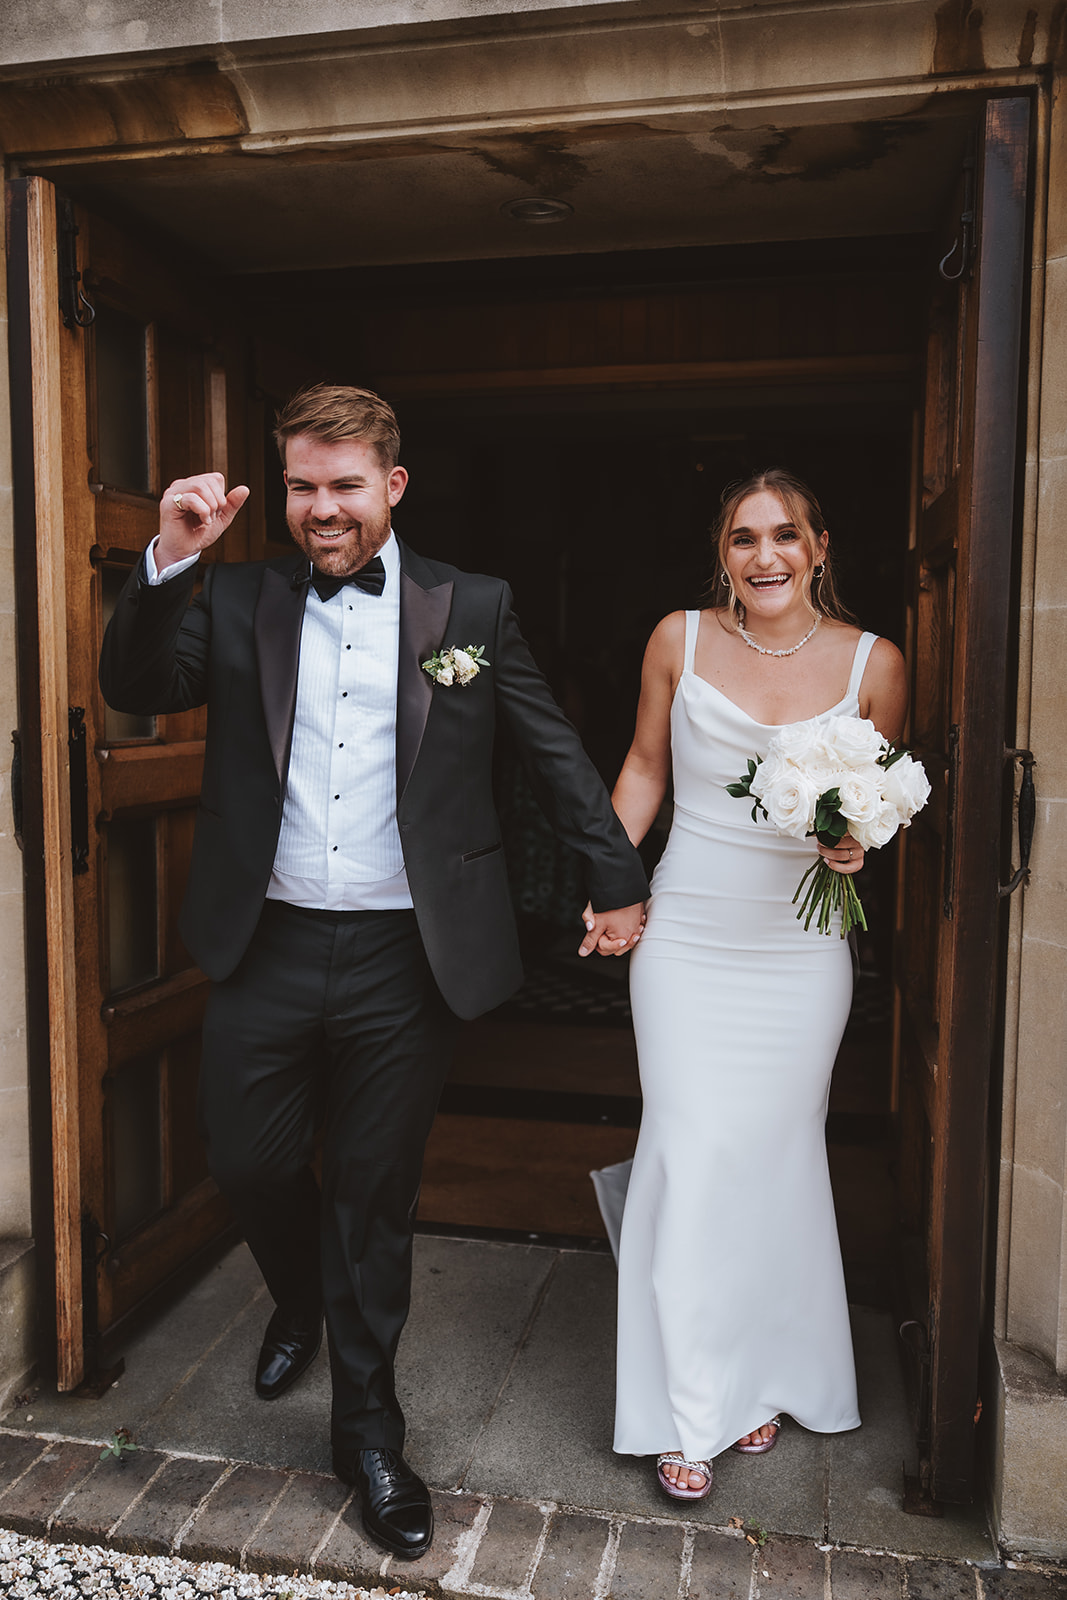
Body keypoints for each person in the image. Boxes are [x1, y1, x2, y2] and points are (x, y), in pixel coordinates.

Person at [99, 385, 648, 1558]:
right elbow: (137, 688)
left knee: (370, 1191)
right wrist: (166, 560)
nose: (321, 508)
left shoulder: (472, 606)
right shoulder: (239, 593)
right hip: (269, 940)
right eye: (301, 485)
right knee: (243, 1156)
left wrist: (616, 873)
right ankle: (297, 1295)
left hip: (408, 953)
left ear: (391, 486)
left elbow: (548, 747)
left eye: (344, 485)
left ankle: (369, 1428)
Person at [604, 468, 907, 1500]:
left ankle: (765, 1372)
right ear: (721, 553)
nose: (763, 556)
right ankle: (688, 1404)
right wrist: (611, 880)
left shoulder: (873, 661)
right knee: (689, 1147)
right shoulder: (675, 639)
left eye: (784, 535)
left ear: (820, 546)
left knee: (773, 1156)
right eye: (742, 538)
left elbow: (875, 800)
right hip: (686, 933)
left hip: (797, 948)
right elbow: (644, 767)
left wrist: (854, 841)